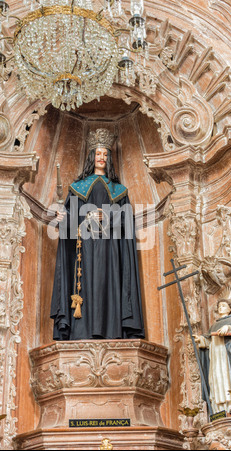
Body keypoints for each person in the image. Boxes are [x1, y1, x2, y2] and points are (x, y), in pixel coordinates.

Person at [50, 128, 145, 341]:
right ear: (92, 157)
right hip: (85, 248)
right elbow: (69, 221)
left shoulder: (119, 190)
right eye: (98, 153)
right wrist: (61, 217)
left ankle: (113, 330)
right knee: (84, 286)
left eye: (105, 154)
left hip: (111, 250)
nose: (101, 158)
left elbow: (127, 222)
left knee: (109, 285)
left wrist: (109, 218)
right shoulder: (77, 188)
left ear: (109, 158)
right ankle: (79, 331)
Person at [194, 299, 231, 414]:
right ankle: (220, 408)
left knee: (228, 377)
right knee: (217, 379)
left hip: (226, 355)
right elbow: (210, 340)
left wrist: (228, 328)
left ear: (230, 309)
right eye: (219, 306)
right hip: (215, 357)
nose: (221, 308)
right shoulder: (215, 324)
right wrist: (201, 340)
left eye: (224, 306)